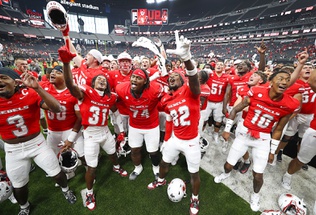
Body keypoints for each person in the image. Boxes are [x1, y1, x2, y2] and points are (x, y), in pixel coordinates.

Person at [214, 70, 300, 212]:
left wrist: (272, 151)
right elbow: (235, 109)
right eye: (280, 78)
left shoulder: (289, 104)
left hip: (263, 138)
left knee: (258, 175)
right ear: (271, 82)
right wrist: (227, 129)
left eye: (287, 79)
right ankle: (226, 174)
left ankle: (255, 195)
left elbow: (278, 129)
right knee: (228, 165)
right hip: (245, 133)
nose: (284, 81)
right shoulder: (256, 92)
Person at [58, 46, 127, 211]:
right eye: (99, 79)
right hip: (90, 134)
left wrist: (121, 130)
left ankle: (116, 167)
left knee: (112, 153)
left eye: (104, 79)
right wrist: (66, 63)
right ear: (93, 82)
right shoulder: (85, 93)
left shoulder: (110, 98)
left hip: (105, 131)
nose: (102, 80)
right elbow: (70, 84)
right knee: (92, 166)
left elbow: (116, 113)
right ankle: (89, 192)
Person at [0, 67, 77, 215]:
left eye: (3, 77)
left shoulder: (29, 93)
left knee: (56, 173)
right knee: (19, 185)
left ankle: (66, 190)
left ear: (16, 82)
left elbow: (57, 108)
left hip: (37, 144)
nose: (0, 81)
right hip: (12, 149)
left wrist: (38, 89)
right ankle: (24, 207)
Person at [147, 31, 202, 215]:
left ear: (183, 79)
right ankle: (161, 179)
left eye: (175, 77)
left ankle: (194, 198)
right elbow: (168, 119)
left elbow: (194, 80)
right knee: (164, 162)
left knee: (194, 173)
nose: (171, 78)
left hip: (192, 141)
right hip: (176, 138)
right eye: (170, 78)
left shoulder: (190, 91)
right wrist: (168, 138)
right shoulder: (168, 99)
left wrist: (187, 59)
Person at [116, 68, 164, 180]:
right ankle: (138, 167)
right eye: (133, 77)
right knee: (134, 149)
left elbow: (167, 96)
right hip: (134, 125)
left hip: (151, 125)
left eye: (139, 78)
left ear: (145, 82)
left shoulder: (155, 89)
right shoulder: (122, 88)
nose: (134, 79)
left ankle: (155, 167)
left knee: (153, 151)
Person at [40, 65, 85, 180]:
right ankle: (68, 173)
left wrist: (71, 137)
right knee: (55, 157)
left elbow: (80, 118)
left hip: (70, 129)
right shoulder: (44, 87)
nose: (53, 74)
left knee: (83, 155)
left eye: (58, 72)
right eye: (52, 72)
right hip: (52, 131)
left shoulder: (73, 92)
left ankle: (89, 171)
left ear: (66, 77)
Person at [281, 67, 316, 190]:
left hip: (311, 115)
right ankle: (279, 152)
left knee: (302, 139)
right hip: (298, 114)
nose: (308, 69)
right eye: (305, 67)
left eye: (309, 67)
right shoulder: (296, 83)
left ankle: (300, 156)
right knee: (288, 136)